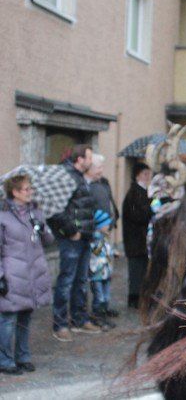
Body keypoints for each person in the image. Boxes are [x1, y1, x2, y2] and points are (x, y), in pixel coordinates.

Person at [0, 174, 54, 374]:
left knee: (25, 318)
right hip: (12, 275)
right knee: (7, 320)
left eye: (31, 188)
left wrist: (42, 228)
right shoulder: (3, 216)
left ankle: (22, 357)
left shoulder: (35, 212)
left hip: (33, 273)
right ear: (15, 192)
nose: (30, 192)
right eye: (26, 189)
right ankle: (5, 361)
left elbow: (48, 241)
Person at [48, 144, 101, 341]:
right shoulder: (67, 177)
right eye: (89, 157)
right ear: (80, 160)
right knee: (66, 281)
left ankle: (79, 319)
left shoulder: (79, 177)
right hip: (72, 239)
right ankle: (60, 324)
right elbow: (55, 209)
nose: (91, 161)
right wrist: (72, 231)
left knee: (80, 280)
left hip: (84, 237)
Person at [87, 154, 119, 319]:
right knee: (97, 276)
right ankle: (98, 308)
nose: (101, 170)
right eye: (98, 167)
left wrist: (112, 220)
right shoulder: (87, 186)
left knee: (107, 274)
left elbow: (109, 203)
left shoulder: (103, 183)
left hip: (105, 234)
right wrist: (99, 225)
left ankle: (105, 306)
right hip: (95, 235)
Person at [122, 163, 153, 308]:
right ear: (138, 175)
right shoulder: (134, 193)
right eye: (145, 174)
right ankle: (134, 299)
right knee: (136, 270)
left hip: (141, 240)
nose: (148, 177)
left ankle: (141, 297)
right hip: (135, 240)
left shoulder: (143, 191)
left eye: (148, 174)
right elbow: (138, 215)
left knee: (142, 270)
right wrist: (152, 209)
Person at [89, 210, 116, 330]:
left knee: (106, 296)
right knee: (99, 297)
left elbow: (107, 251)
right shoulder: (95, 239)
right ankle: (97, 316)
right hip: (97, 273)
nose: (108, 227)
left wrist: (113, 252)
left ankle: (104, 314)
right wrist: (101, 241)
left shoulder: (104, 238)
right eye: (106, 225)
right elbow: (95, 252)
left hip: (106, 272)